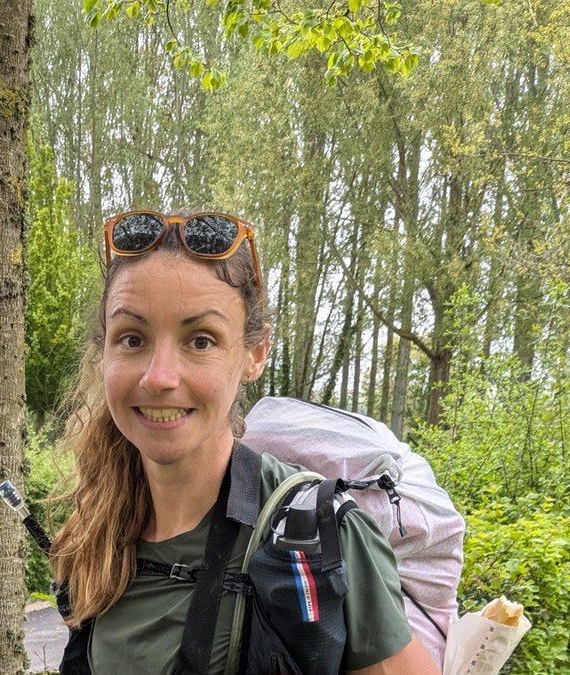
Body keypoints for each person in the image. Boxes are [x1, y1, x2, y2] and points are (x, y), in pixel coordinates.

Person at [49, 210, 440, 674]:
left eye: (200, 341)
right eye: (132, 339)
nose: (158, 377)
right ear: (103, 352)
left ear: (255, 353)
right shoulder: (94, 530)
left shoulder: (318, 535)